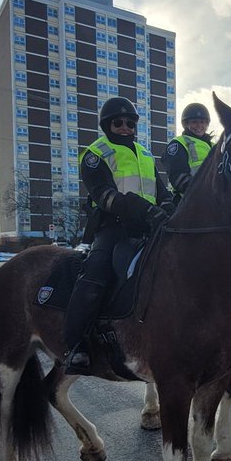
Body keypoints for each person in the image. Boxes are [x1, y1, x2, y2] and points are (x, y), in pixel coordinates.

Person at [63, 96, 174, 375]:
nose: (125, 127)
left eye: (130, 123)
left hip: (150, 227)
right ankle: (75, 346)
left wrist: (170, 206)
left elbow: (161, 191)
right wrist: (144, 208)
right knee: (93, 277)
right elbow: (104, 195)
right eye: (118, 122)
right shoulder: (94, 153)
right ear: (107, 125)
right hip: (113, 228)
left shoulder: (145, 154)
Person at [161, 102, 213, 197]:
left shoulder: (214, 146)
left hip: (215, 200)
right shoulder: (178, 143)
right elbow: (177, 175)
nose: (199, 126)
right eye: (194, 122)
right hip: (188, 201)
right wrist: (202, 191)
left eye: (202, 122)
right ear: (185, 124)